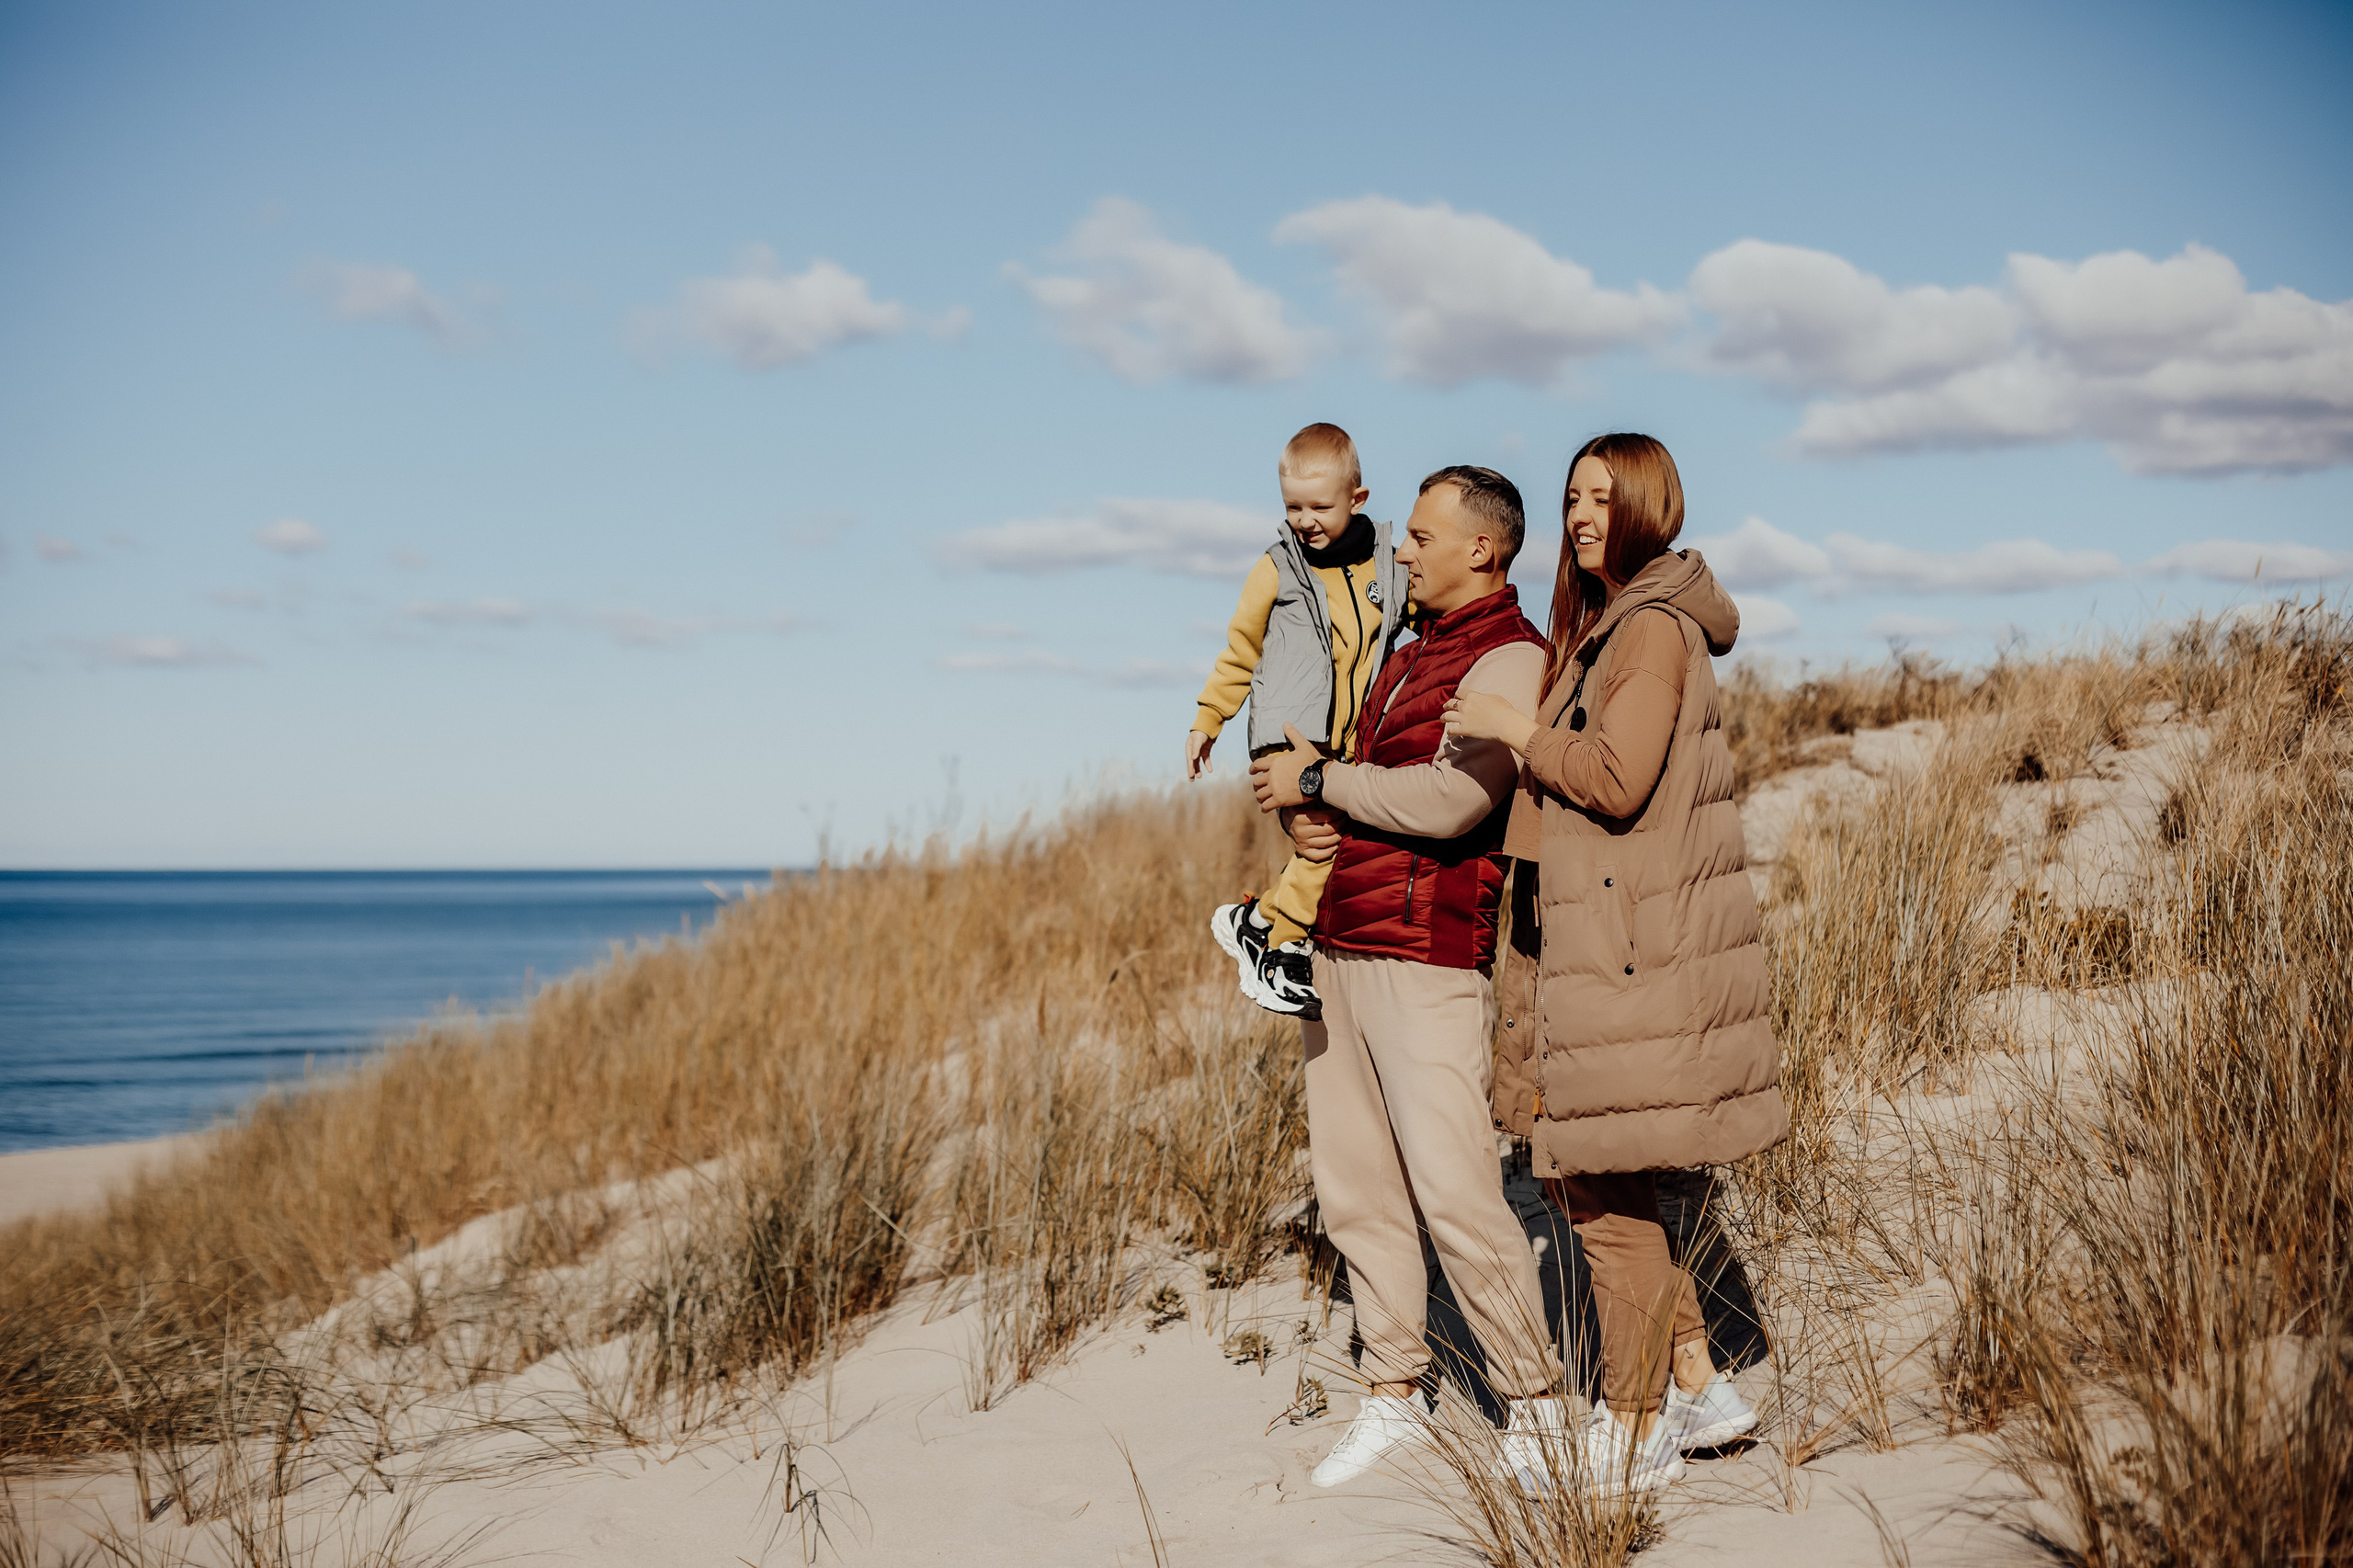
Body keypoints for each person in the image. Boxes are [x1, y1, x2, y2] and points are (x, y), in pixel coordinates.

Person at [1445, 432, 1788, 1497]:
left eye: (1602, 496)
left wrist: (1511, 727)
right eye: (1572, 498)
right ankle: (1697, 1386)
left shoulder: (1646, 626)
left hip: (1624, 953)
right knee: (1602, 1171)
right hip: (1604, 944)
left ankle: (1634, 1429)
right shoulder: (1618, 622)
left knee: (1592, 1185)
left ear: (1646, 506)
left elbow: (1616, 774)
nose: (1582, 514)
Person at [1253, 466, 1564, 1488]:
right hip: (1340, 946)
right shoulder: (1405, 652)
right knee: (1358, 1188)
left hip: (1426, 956)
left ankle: (1536, 1405)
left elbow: (1449, 803)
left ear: (1482, 548)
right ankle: (1394, 1392)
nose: (1402, 551)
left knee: (1456, 1189)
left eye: (1422, 537)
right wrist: (1308, 810)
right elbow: (1365, 786)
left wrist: (1321, 778)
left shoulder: (1511, 656)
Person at [1190, 422, 1410, 1019]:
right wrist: (1209, 719)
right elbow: (1240, 649)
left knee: (1337, 842)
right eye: (1293, 507)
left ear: (1357, 499)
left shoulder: (1387, 568)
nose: (1305, 520)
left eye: (1320, 507)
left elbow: (1429, 616)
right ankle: (1285, 950)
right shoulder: (1278, 568)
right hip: (1289, 735)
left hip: (1347, 743)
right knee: (1322, 836)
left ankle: (1257, 921)